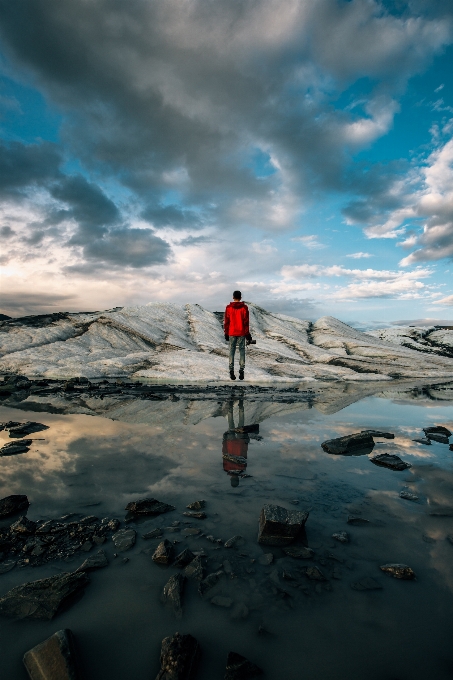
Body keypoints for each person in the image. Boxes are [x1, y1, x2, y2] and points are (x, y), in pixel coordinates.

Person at [224, 290, 252, 381]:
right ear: (240, 297)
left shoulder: (228, 308)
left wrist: (226, 333)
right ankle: (241, 371)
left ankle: (231, 371)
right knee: (242, 351)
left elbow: (226, 322)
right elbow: (246, 322)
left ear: (233, 297)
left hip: (232, 332)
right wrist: (247, 333)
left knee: (231, 352)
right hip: (241, 333)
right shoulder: (244, 308)